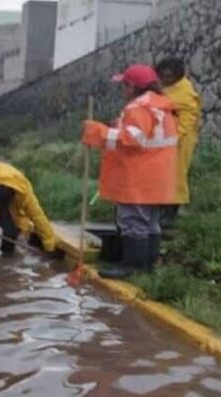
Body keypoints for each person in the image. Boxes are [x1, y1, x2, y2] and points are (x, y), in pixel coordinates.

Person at [81, 64, 179, 278]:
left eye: (124, 85)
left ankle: (133, 267)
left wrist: (98, 132)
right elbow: (148, 136)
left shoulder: (137, 108)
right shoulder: (161, 106)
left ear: (131, 87)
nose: (122, 90)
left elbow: (132, 140)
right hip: (158, 177)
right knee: (151, 222)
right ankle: (149, 266)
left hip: (138, 177)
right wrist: (119, 126)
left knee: (133, 221)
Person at [155, 57, 202, 229]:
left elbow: (187, 120)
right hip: (165, 140)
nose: (165, 79)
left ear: (177, 75)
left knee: (176, 175)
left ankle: (170, 215)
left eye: (169, 76)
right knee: (162, 175)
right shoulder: (167, 89)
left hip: (180, 141)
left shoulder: (185, 93)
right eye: (163, 76)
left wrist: (175, 138)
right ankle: (160, 211)